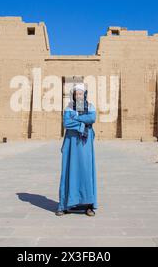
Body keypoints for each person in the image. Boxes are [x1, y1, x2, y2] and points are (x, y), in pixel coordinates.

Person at [56, 83, 98, 217]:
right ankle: (64, 205)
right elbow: (66, 123)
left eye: (80, 93)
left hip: (84, 144)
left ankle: (88, 206)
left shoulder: (90, 106)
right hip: (72, 144)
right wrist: (82, 123)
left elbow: (92, 118)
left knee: (86, 171)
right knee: (69, 171)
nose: (78, 96)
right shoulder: (69, 107)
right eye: (76, 94)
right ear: (73, 95)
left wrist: (77, 119)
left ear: (84, 94)